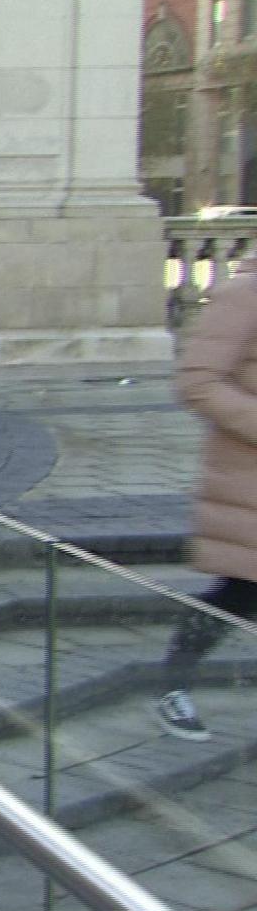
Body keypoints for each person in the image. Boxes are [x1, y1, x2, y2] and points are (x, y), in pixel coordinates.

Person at [154, 273, 257, 742]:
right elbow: (196, 382)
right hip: (249, 477)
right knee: (243, 591)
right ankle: (172, 684)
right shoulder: (245, 293)